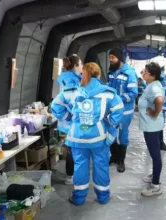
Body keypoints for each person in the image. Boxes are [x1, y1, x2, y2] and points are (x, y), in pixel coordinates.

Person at [53, 62, 124, 206]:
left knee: (79, 166)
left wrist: (69, 118)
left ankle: (79, 198)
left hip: (77, 137)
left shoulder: (71, 91)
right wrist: (109, 122)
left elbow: (55, 105)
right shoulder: (108, 92)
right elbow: (119, 109)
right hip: (99, 137)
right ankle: (103, 197)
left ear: (83, 74)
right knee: (101, 165)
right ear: (98, 75)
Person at [107, 48, 138, 173]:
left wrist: (117, 99)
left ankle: (121, 160)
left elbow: (133, 93)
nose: (111, 60)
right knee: (111, 134)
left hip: (125, 112)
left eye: (113, 57)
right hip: (112, 111)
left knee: (123, 135)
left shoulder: (129, 73)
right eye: (110, 58)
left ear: (119, 58)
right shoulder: (111, 72)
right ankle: (114, 156)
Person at [53, 55, 83, 185]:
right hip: (70, 121)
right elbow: (71, 102)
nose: (82, 66)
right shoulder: (70, 81)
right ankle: (70, 176)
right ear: (75, 66)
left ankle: (73, 174)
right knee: (72, 148)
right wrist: (70, 117)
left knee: (73, 148)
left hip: (69, 120)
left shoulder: (71, 78)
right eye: (81, 64)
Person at [138, 62, 165, 196]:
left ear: (153, 76)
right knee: (154, 154)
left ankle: (155, 185)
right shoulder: (152, 85)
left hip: (152, 126)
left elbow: (159, 100)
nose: (143, 73)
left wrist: (155, 113)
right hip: (151, 126)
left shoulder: (154, 87)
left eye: (146, 72)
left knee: (155, 156)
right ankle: (154, 174)